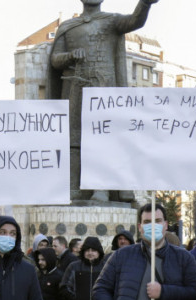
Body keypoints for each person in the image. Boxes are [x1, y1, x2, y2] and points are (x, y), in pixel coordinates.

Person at [47, 0, 159, 200]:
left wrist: (145, 4)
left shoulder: (112, 21)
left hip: (104, 89)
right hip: (76, 87)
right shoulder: (68, 27)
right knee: (74, 136)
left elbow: (135, 21)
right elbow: (55, 59)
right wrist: (70, 56)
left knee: (103, 138)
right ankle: (74, 187)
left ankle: (102, 187)